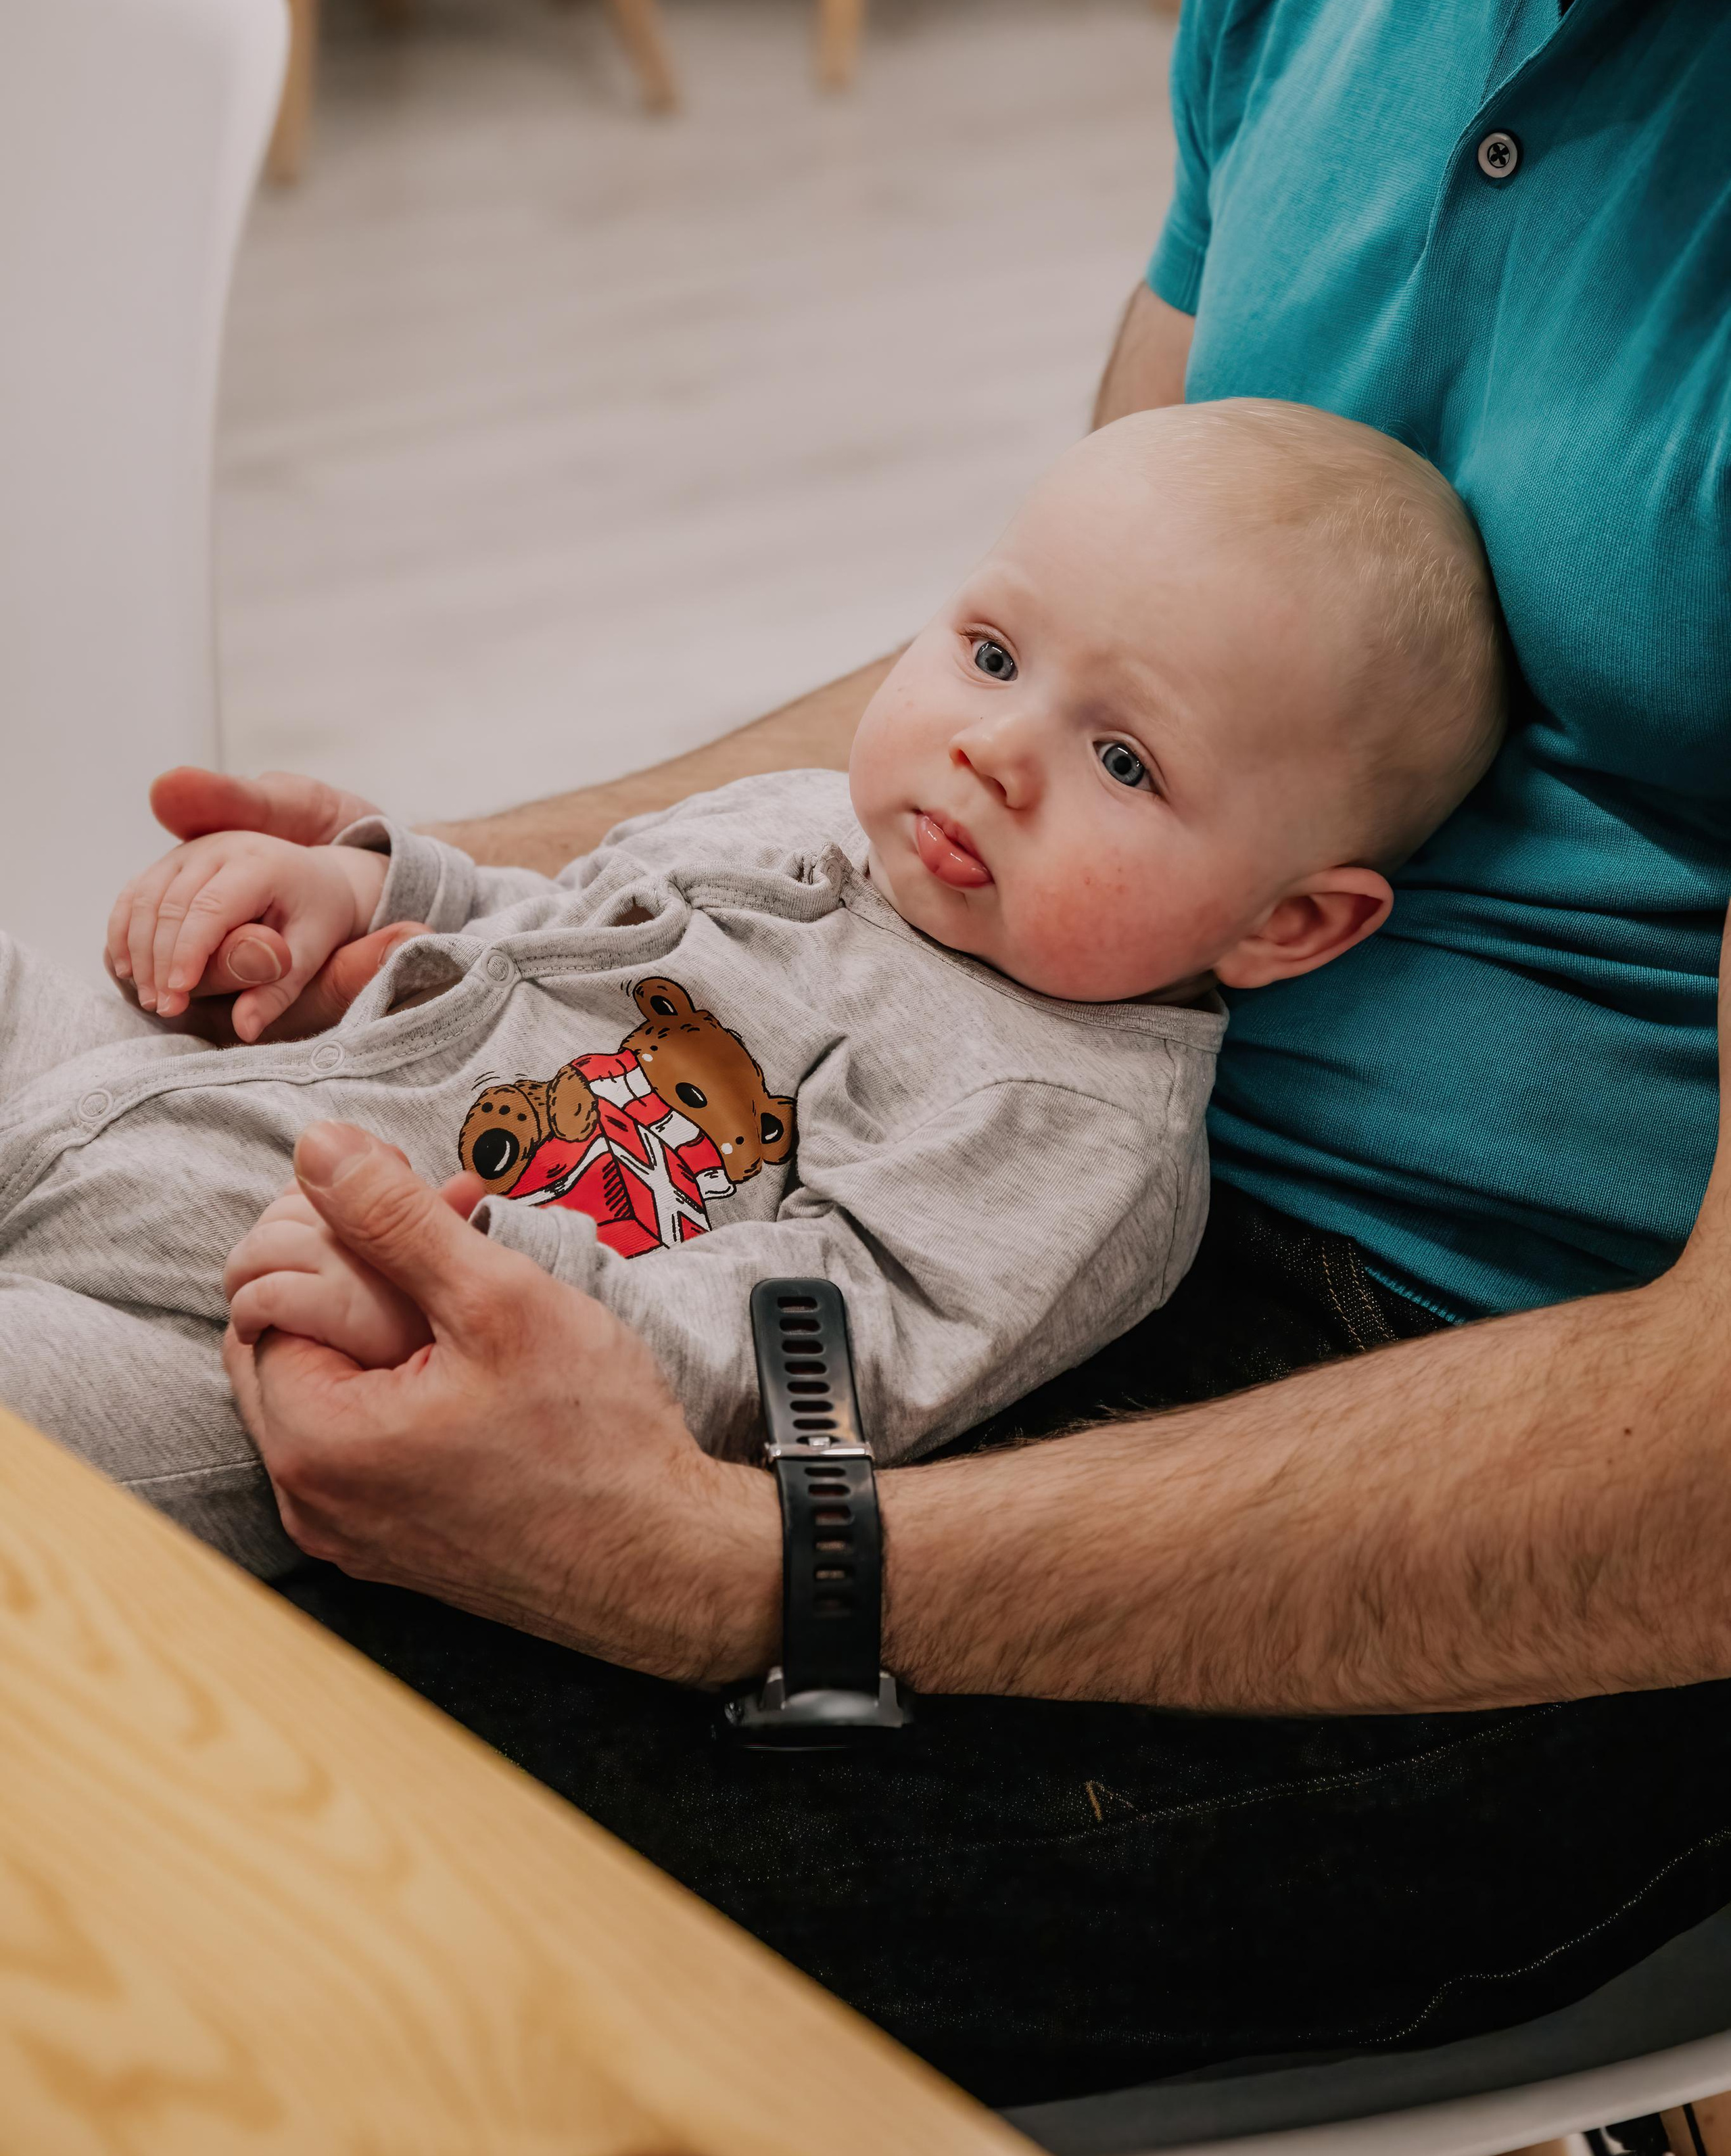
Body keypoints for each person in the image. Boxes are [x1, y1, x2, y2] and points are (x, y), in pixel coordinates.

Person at [85, 0, 1731, 2109]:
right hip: (877, 1106)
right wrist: (443, 881)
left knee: (158, 1810)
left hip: (1495, 1475)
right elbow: (1051, 660)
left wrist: (735, 1568)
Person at [1, 403, 1503, 1570]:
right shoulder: (810, 819)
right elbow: (562, 916)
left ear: (1290, 923)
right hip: (168, 1092)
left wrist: (473, 1306)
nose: (992, 746)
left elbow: (815, 1352)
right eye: (988, 652)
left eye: (1122, 760)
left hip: (270, 1337)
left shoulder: (1063, 1128)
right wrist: (366, 892)